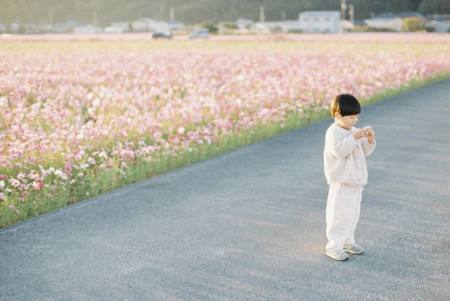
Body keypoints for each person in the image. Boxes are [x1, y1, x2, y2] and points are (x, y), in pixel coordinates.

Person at [323, 94, 376, 261]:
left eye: (357, 117)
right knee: (339, 214)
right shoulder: (333, 132)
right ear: (338, 115)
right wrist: (354, 137)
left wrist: (369, 139)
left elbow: (366, 152)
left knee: (352, 214)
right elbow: (339, 151)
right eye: (351, 117)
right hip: (342, 182)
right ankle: (334, 245)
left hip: (356, 181)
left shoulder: (353, 131)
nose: (355, 120)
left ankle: (348, 241)